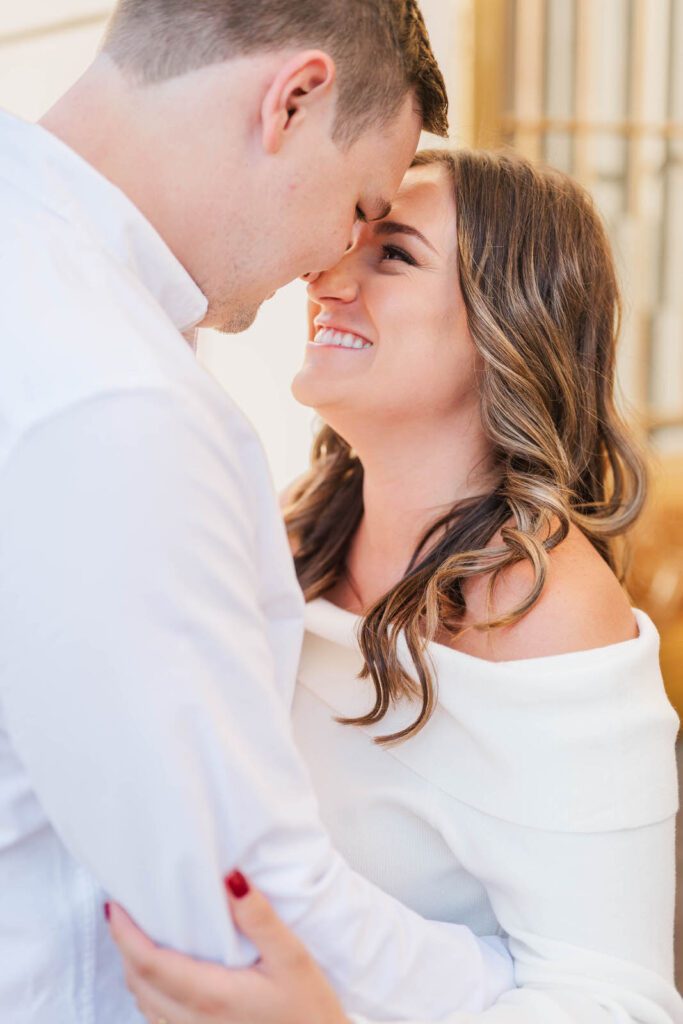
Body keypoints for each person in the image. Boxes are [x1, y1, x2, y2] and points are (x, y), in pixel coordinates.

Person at [0, 4, 518, 1023]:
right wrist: (530, 995)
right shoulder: (120, 399)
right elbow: (240, 904)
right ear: (291, 99)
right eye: (361, 204)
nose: (334, 259)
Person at [108, 150, 682, 1024]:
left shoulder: (543, 611)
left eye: (395, 255)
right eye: (348, 241)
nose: (326, 279)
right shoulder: (292, 538)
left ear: (507, 326)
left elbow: (615, 1003)